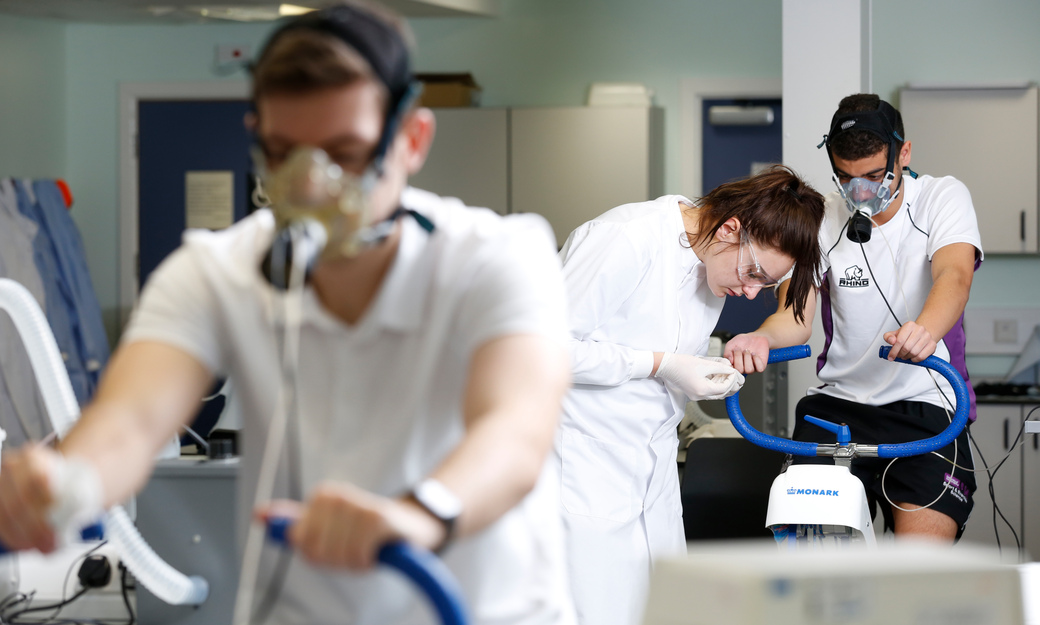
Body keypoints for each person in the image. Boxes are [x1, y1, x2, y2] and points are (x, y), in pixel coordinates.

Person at [0, 3, 577, 624]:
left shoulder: (496, 256)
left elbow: (515, 432)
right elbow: (132, 422)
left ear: (410, 141)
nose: (310, 186)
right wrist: (64, 486)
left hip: (477, 606)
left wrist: (417, 514)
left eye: (345, 153)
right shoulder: (217, 271)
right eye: (283, 152)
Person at [556, 165, 825, 625]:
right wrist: (663, 364)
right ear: (729, 228)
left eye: (766, 284)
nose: (749, 291)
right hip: (582, 475)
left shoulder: (711, 265)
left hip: (652, 478)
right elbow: (541, 350)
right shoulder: (626, 237)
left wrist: (701, 372)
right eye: (753, 273)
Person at [726, 94, 982, 542]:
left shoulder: (941, 197)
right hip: (839, 407)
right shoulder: (822, 218)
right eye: (846, 177)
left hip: (927, 402)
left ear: (903, 153)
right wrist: (763, 338)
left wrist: (924, 330)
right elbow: (794, 313)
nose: (860, 191)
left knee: (919, 565)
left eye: (873, 176)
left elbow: (955, 275)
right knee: (815, 560)